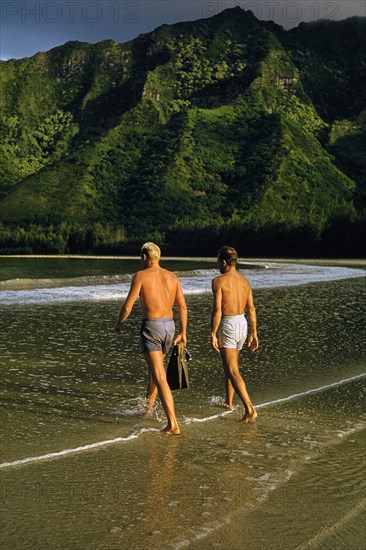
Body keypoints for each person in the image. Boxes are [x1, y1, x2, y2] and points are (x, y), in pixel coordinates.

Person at [114, 242, 187, 435]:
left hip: (152, 327)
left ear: (145, 257)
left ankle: (173, 423)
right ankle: (148, 409)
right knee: (155, 372)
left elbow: (128, 306)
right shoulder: (172, 277)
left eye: (141, 258)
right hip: (169, 328)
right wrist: (183, 332)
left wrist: (119, 322)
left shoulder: (141, 276)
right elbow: (182, 307)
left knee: (159, 375)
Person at [211, 246, 259, 422]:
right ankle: (228, 402)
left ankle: (249, 408)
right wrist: (254, 333)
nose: (218, 266)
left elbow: (217, 310)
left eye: (218, 262)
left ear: (224, 262)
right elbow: (252, 309)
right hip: (242, 323)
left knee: (232, 369)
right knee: (230, 367)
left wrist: (212, 333)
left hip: (228, 323)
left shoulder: (219, 281)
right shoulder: (245, 281)